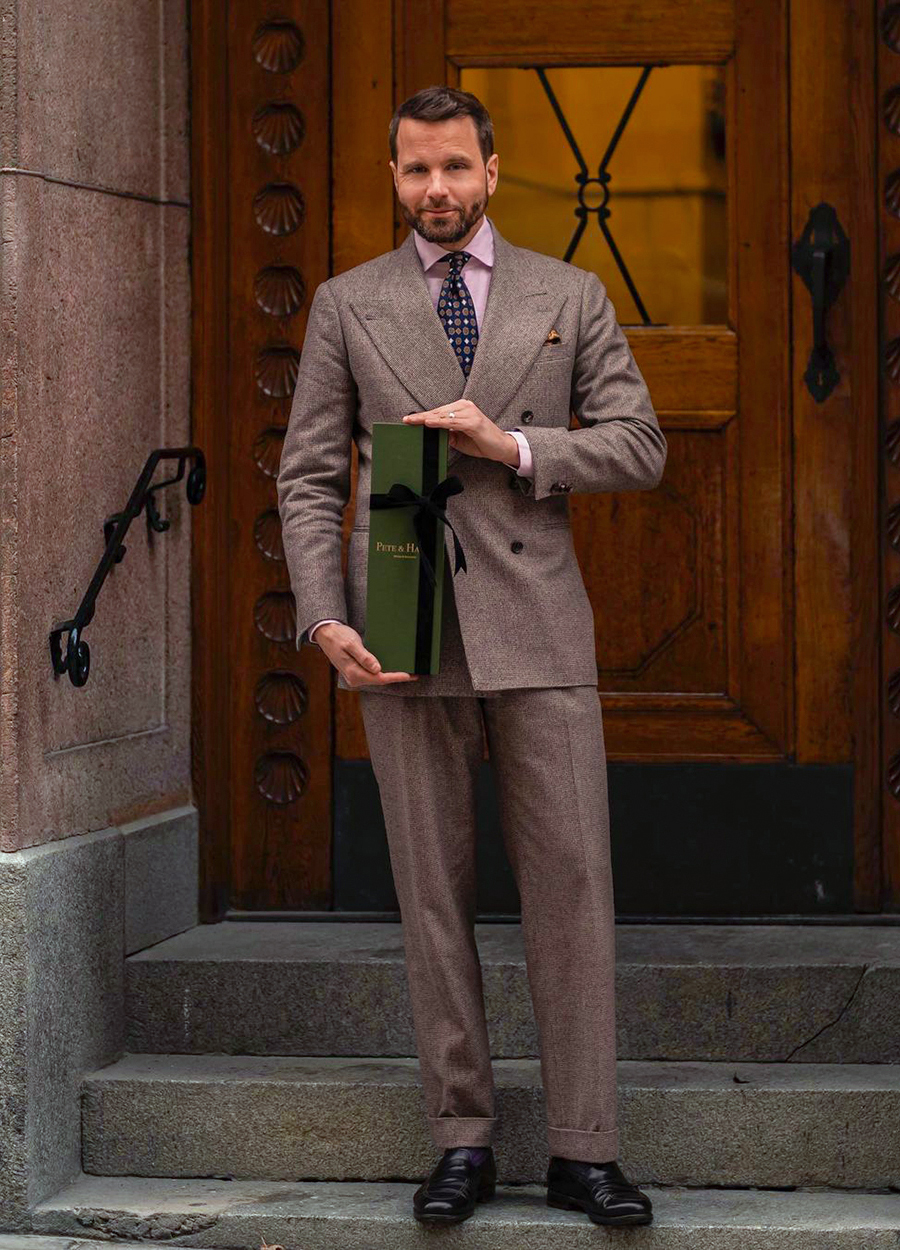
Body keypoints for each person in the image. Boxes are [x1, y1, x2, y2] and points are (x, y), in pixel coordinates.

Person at [276, 84, 666, 1228]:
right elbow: (306, 475)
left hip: (540, 625)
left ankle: (586, 1150)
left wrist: (516, 444)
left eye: (455, 168)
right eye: (415, 172)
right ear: (394, 178)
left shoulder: (570, 294)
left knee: (573, 890)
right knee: (432, 894)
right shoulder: (349, 305)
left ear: (494, 170)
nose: (435, 190)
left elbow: (639, 443)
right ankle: (462, 1138)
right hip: (399, 631)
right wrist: (319, 614)